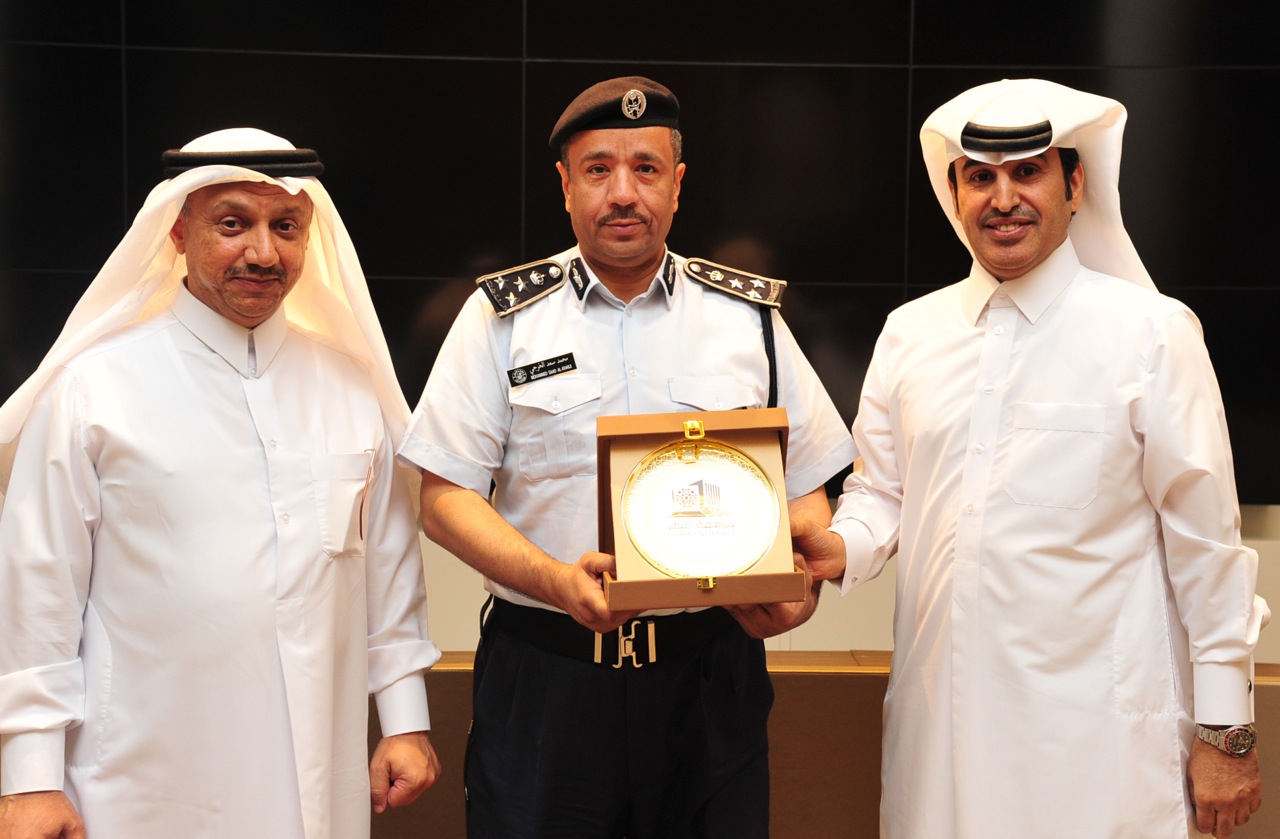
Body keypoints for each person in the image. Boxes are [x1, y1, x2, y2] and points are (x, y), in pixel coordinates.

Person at [792, 78, 1268, 839]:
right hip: (940, 736)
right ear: (955, 193)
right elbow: (884, 493)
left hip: (1099, 749)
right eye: (980, 177)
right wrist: (837, 547)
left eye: (1027, 172)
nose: (1003, 198)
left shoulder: (1152, 333)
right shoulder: (910, 333)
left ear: (1074, 186)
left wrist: (1226, 731)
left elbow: (1207, 546)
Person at [397, 76, 855, 838]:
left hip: (708, 679)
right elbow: (443, 500)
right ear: (565, 185)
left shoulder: (747, 319)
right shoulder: (500, 321)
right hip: (548, 681)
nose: (622, 192)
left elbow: (809, 485)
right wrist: (555, 580)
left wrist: (798, 585)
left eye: (645, 169)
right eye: (598, 168)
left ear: (677, 185)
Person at [0, 128, 442, 839]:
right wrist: (30, 779)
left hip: (314, 774)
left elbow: (389, 571)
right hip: (141, 780)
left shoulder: (350, 387)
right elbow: (37, 589)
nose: (263, 253)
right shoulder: (93, 389)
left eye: (285, 227)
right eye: (232, 224)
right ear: (178, 231)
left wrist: (405, 720)